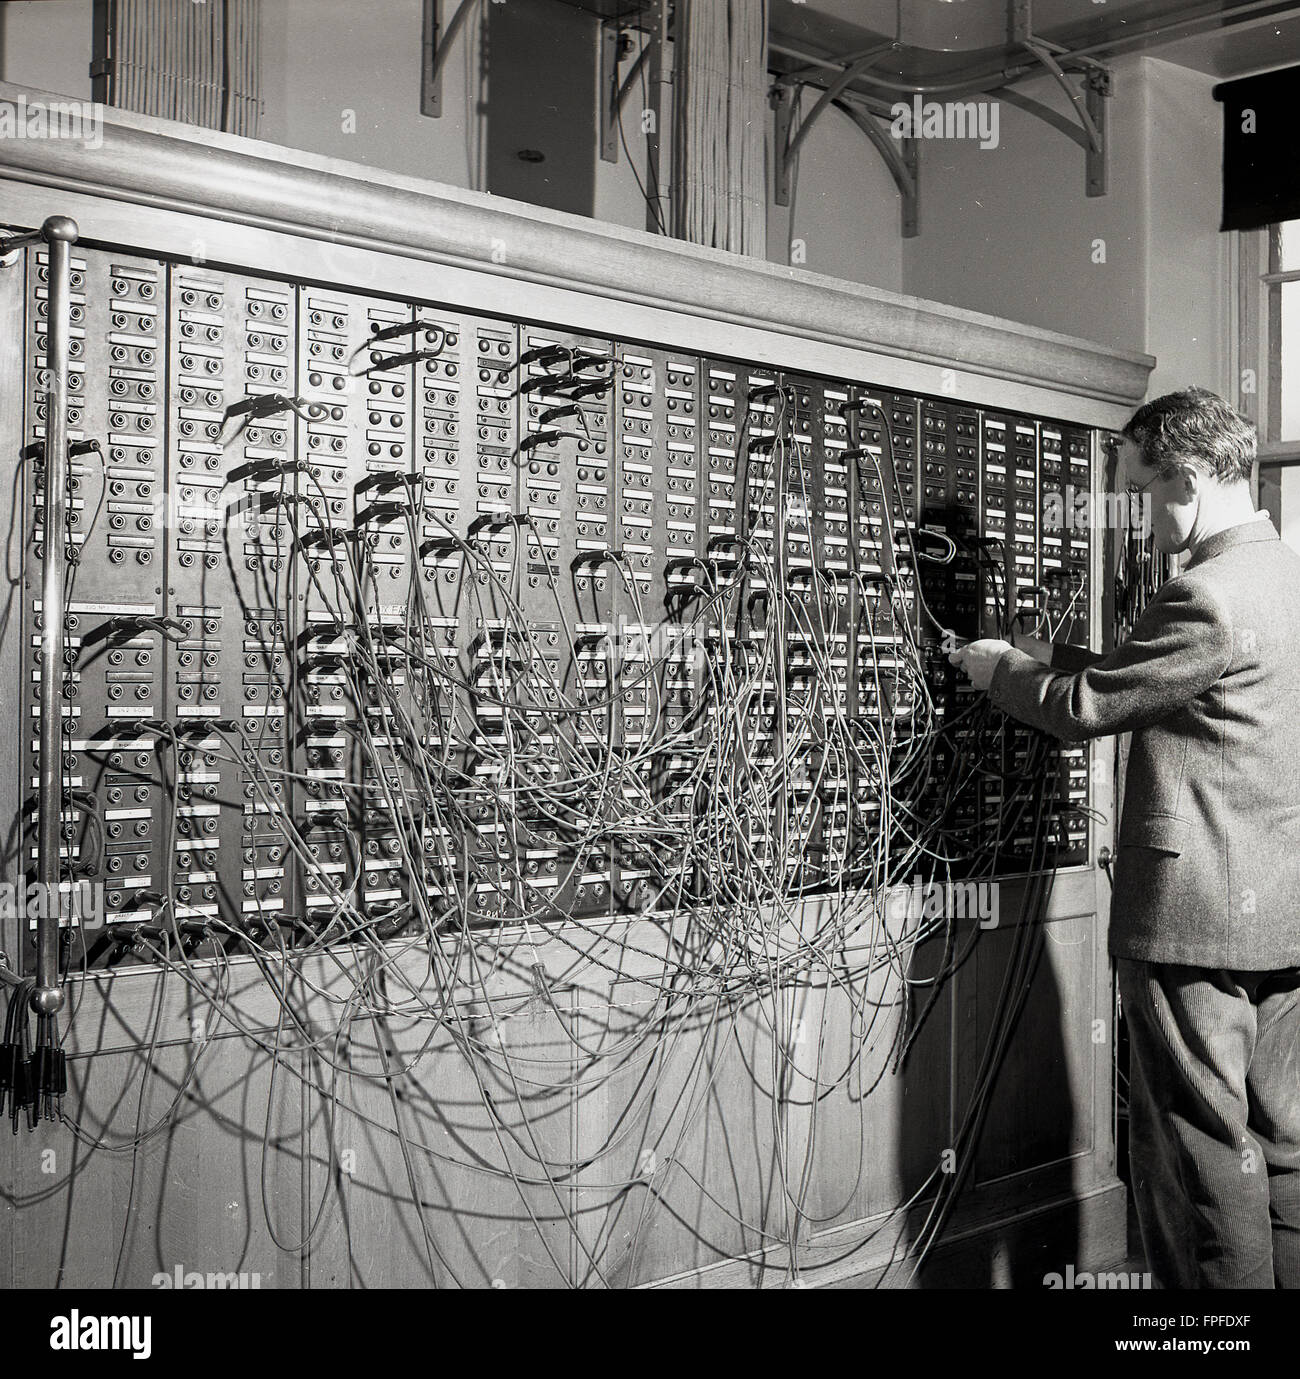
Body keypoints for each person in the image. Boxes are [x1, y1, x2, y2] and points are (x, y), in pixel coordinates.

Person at [950, 387, 1300, 1289]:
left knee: (1201, 1153)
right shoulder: (1283, 575)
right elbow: (1142, 675)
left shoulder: (1205, 594)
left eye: (1141, 493)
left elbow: (1086, 707)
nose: (1139, 520)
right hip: (1281, 915)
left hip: (1195, 925)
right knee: (1284, 1143)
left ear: (1185, 481)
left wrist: (1001, 674)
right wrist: (1040, 649)